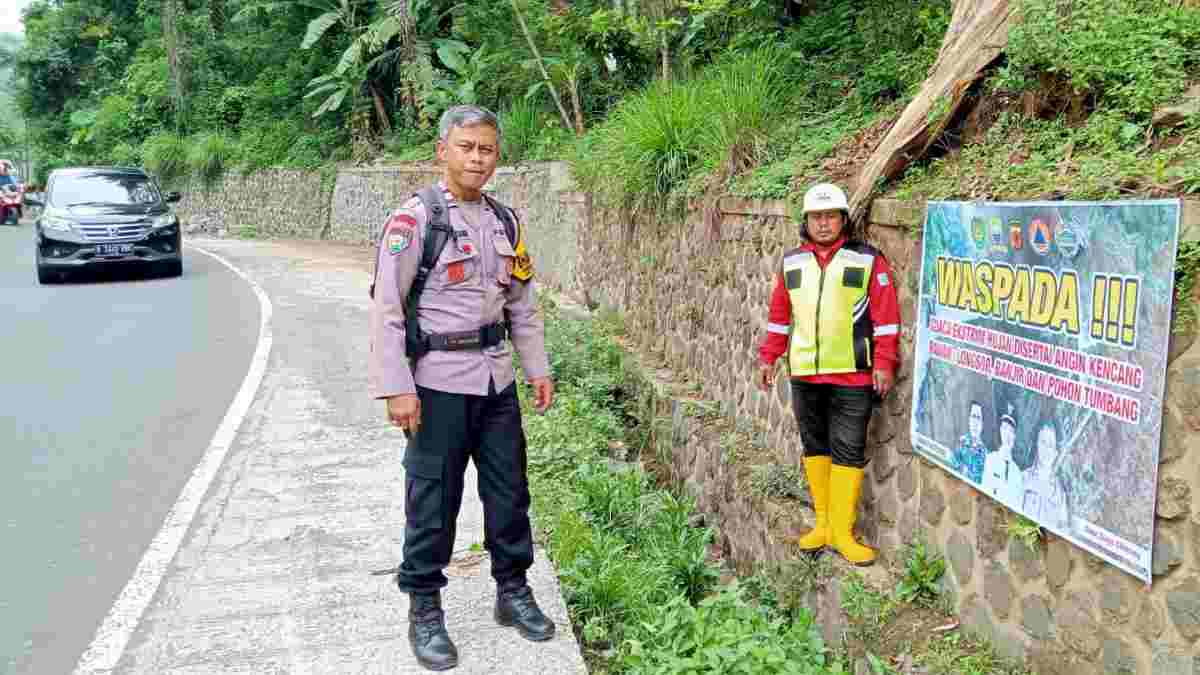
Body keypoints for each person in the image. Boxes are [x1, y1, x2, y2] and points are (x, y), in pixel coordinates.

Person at [369, 105, 556, 671]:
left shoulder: (507, 223)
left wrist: (537, 367)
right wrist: (397, 388)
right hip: (436, 387)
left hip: (496, 381)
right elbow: (386, 310)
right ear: (442, 151)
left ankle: (513, 591)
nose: (478, 158)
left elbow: (521, 304)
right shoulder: (414, 221)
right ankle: (424, 609)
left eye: (487, 149)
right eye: (467, 147)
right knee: (433, 502)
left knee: (508, 493)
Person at [757, 182, 901, 566]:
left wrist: (884, 363)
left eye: (830, 216)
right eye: (816, 217)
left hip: (854, 375)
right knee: (815, 447)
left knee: (849, 450)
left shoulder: (868, 261)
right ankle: (822, 524)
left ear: (843, 220)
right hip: (804, 374)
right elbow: (779, 318)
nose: (823, 224)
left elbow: (886, 320)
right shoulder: (792, 264)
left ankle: (843, 531)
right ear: (806, 222)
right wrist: (769, 358)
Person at [1021, 419, 1069, 532]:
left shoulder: (1060, 493)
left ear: (1056, 452)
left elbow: (1064, 529)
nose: (1047, 449)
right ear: (1036, 444)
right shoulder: (1023, 478)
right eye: (1043, 442)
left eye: (1051, 444)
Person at [982, 403, 1023, 507]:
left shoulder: (1017, 473)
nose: (1007, 434)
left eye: (1011, 431)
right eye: (1004, 428)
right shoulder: (990, 460)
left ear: (1015, 436)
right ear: (1000, 431)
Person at [951, 400, 988, 484]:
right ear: (969, 419)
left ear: (982, 423)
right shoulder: (961, 442)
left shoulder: (986, 454)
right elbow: (952, 466)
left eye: (978, 417)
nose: (975, 422)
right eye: (973, 416)